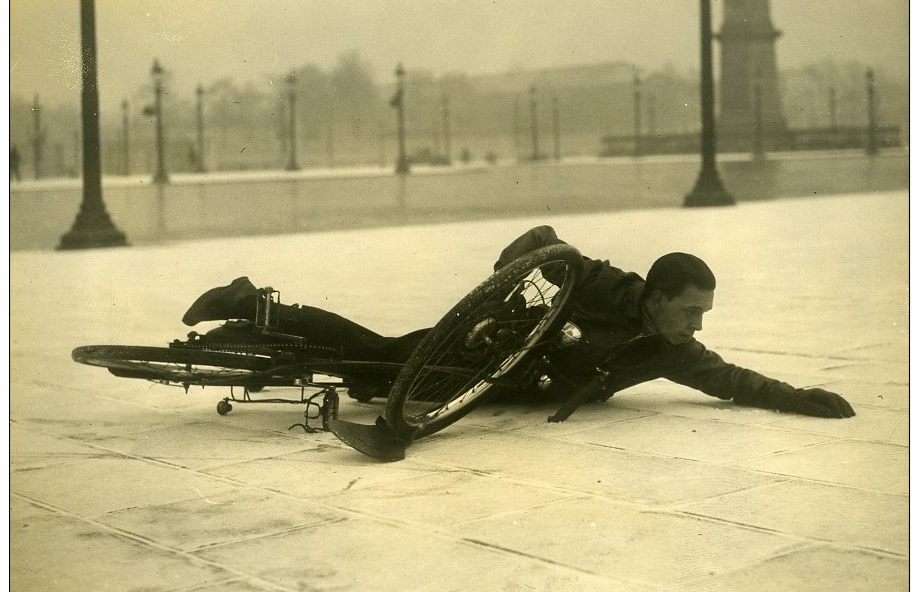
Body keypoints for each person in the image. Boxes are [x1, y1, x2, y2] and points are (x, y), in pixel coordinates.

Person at [182, 225, 855, 453]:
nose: (697, 326)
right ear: (654, 297)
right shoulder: (601, 283)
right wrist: (505, 299)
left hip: (507, 389)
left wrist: (797, 397)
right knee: (379, 355)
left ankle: (266, 330)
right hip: (483, 349)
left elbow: (731, 380)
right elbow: (541, 246)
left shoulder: (668, 351)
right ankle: (258, 307)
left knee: (366, 373)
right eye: (689, 310)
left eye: (703, 314)